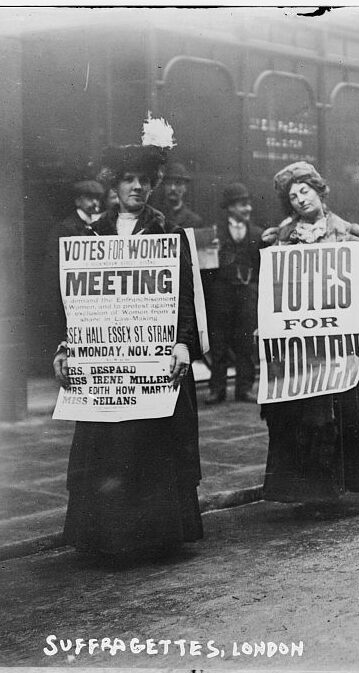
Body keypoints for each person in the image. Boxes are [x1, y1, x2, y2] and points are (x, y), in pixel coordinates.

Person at [52, 121, 203, 562]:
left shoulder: (168, 234)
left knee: (150, 448)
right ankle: (106, 537)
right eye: (129, 180)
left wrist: (183, 345)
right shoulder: (88, 236)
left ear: (154, 184)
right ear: (114, 185)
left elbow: (186, 300)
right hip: (105, 365)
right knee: (108, 448)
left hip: (153, 363)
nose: (138, 187)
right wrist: (64, 346)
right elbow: (72, 303)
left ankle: (153, 538)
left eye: (145, 180)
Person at [260, 161, 359, 503]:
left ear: (320, 192)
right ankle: (308, 490)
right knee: (299, 414)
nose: (300, 200)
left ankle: (335, 488)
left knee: (339, 412)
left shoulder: (349, 236)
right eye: (293, 197)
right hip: (298, 345)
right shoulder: (282, 239)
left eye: (305, 191)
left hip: (338, 342)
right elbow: (272, 290)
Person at [205, 182, 263, 404]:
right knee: (218, 343)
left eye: (248, 204)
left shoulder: (257, 234)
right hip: (222, 294)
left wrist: (254, 288)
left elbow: (261, 267)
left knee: (246, 343)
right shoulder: (214, 233)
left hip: (248, 294)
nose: (247, 209)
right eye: (242, 204)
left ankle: (244, 388)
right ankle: (217, 388)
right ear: (229, 207)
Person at [43, 180, 104, 353]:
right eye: (89, 198)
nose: (95, 203)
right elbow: (52, 272)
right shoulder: (65, 228)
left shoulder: (98, 226)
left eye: (98, 198)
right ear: (78, 201)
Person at [157, 162, 204, 229]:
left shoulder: (194, 221)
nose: (173, 188)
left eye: (178, 183)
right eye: (169, 183)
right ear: (164, 186)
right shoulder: (154, 217)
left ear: (185, 188)